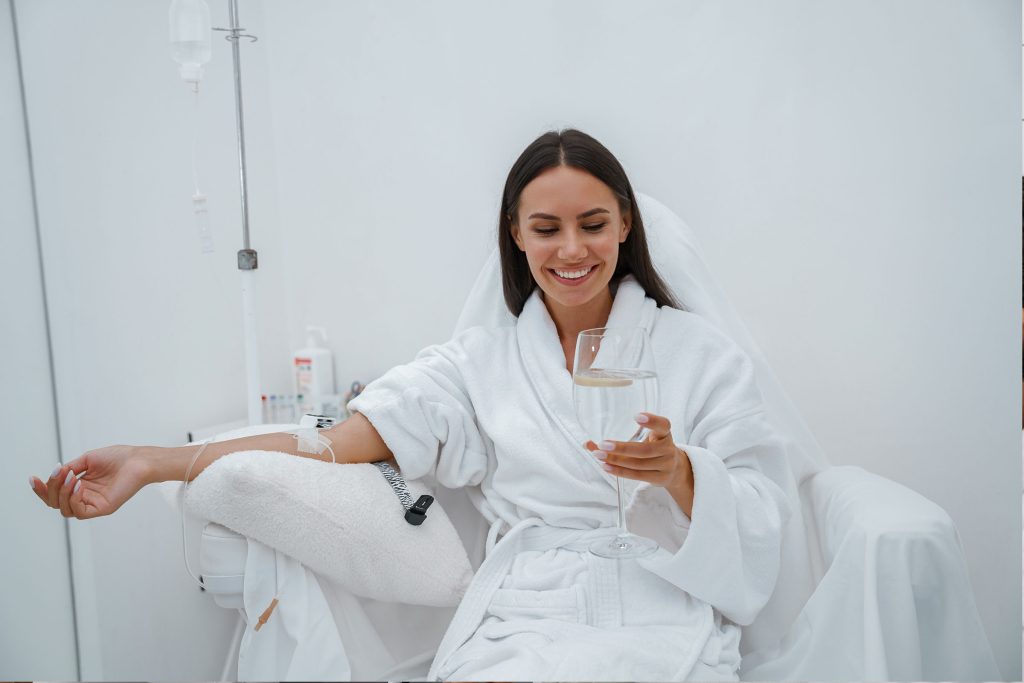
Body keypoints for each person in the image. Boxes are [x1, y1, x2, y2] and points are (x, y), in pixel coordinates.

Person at [31, 129, 791, 681]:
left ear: (625, 226)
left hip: (660, 597)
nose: (572, 250)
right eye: (546, 227)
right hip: (530, 609)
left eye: (593, 225)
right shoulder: (481, 364)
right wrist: (157, 461)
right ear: (515, 234)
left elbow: (761, 510)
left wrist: (681, 473)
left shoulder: (702, 356)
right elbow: (339, 440)